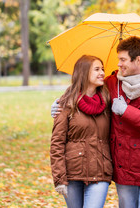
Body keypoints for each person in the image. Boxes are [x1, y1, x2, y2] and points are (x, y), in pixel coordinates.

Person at [52, 36, 140, 208]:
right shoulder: (112, 84)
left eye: (123, 59)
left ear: (138, 60)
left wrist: (126, 111)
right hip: (123, 165)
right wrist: (60, 103)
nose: (118, 64)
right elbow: (84, 89)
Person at [50, 55, 113, 208]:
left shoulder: (107, 102)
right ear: (84, 73)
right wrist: (59, 178)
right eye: (97, 69)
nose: (102, 73)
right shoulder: (66, 103)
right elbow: (57, 143)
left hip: (100, 171)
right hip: (73, 172)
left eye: (102, 69)